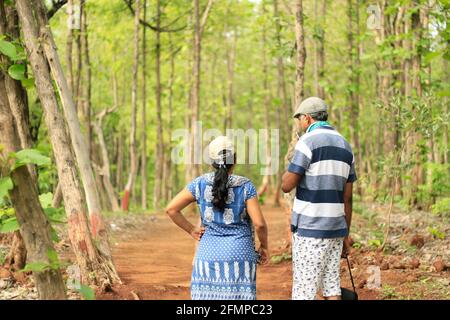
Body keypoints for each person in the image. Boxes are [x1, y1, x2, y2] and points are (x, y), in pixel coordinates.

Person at [166, 136, 269, 300]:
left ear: (211, 162)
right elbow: (260, 224)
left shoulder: (199, 184)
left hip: (207, 256)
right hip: (240, 255)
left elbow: (172, 209)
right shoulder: (245, 186)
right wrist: (264, 246)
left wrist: (192, 230)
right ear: (234, 160)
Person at [281, 97, 356, 300]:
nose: (299, 124)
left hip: (311, 229)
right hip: (335, 229)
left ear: (307, 118)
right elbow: (348, 198)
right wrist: (345, 235)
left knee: (304, 292)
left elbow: (287, 185)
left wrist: (292, 159)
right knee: (332, 288)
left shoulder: (307, 142)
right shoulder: (345, 145)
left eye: (299, 120)